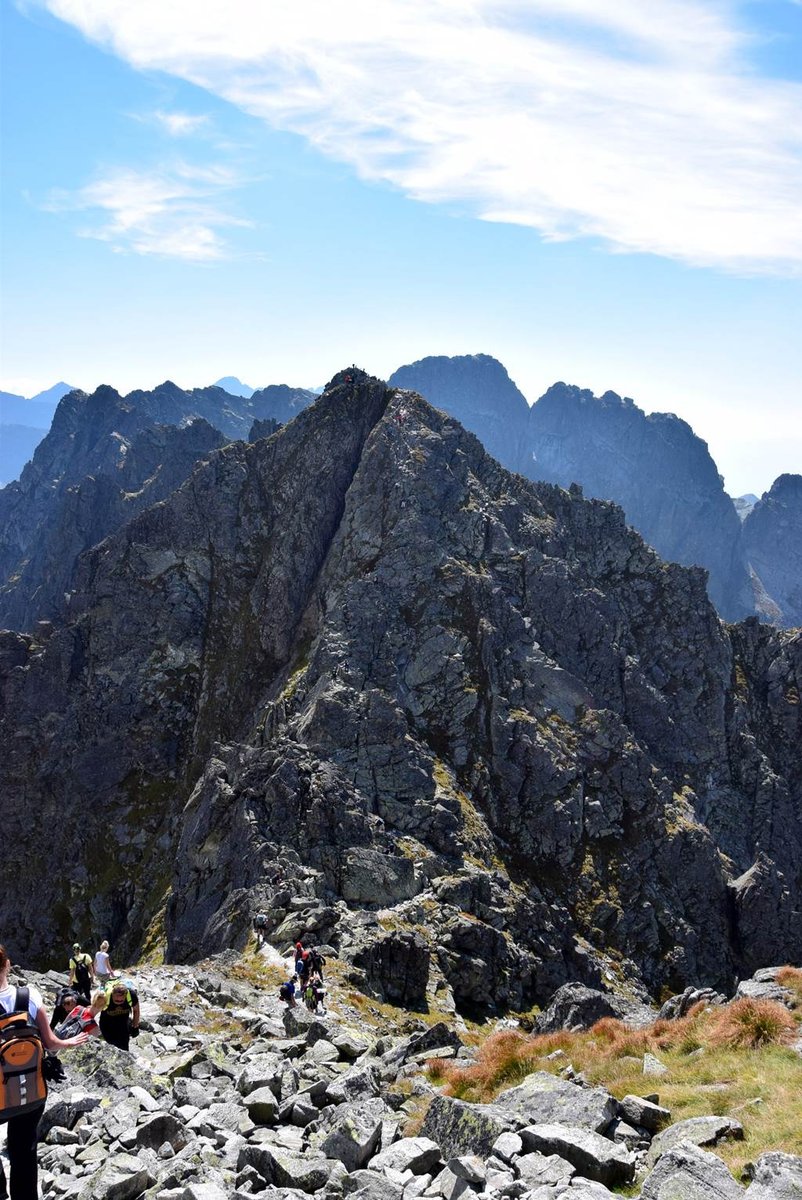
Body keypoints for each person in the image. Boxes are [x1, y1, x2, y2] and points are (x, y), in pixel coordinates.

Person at [0, 942, 90, 1200]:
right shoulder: (29, 996)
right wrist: (69, 1042)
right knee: (24, 1150)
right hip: (30, 1089)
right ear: (8, 965)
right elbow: (50, 1043)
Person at [98, 980, 140, 1051]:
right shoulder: (105, 997)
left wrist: (135, 1025)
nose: (119, 1003)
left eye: (121, 1001)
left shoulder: (131, 995)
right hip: (107, 1025)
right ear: (112, 994)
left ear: (126, 995)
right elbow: (93, 1011)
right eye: (116, 1001)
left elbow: (136, 1010)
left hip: (123, 1024)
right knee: (110, 1049)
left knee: (124, 1048)